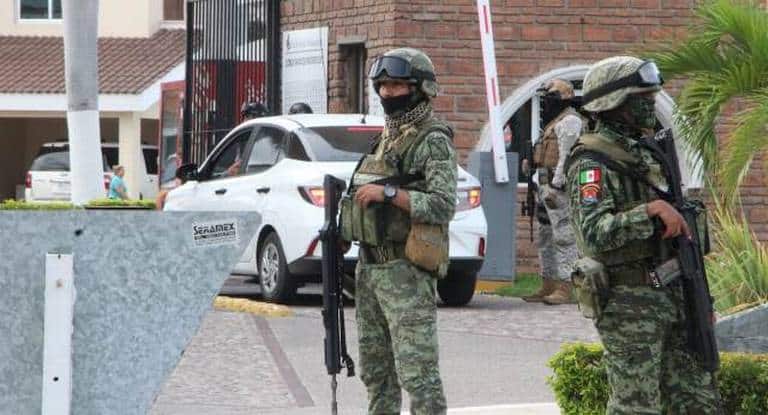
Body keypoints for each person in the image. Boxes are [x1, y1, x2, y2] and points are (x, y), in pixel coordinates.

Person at [566, 56, 720, 413]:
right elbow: (593, 234)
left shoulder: (648, 152)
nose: (652, 101)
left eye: (653, 94)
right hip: (629, 304)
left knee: (698, 402)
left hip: (677, 295)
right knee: (636, 407)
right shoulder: (591, 162)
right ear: (614, 103)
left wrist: (701, 299)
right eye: (643, 95)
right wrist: (648, 212)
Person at [342, 47, 455, 415]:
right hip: (370, 269)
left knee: (417, 372)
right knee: (376, 371)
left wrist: (390, 194)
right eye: (383, 85)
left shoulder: (432, 138)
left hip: (405, 270)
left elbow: (442, 204)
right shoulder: (387, 135)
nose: (388, 93)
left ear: (420, 88)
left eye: (397, 85)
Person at [521, 79, 585, 305]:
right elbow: (546, 151)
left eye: (551, 98)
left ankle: (566, 286)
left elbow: (567, 155)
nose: (547, 103)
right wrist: (531, 165)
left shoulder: (570, 121)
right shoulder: (552, 122)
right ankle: (548, 283)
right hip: (544, 185)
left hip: (558, 189)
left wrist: (557, 184)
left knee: (564, 237)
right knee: (545, 237)